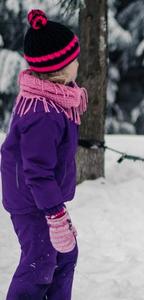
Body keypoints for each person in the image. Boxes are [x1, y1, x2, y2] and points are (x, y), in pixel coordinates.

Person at [1, 9, 87, 300]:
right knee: (40, 263)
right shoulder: (43, 113)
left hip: (42, 197)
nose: (78, 63)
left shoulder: (57, 98)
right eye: (74, 59)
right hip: (32, 201)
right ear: (60, 69)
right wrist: (55, 214)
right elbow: (37, 170)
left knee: (65, 256)